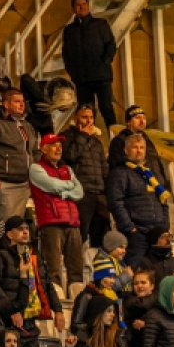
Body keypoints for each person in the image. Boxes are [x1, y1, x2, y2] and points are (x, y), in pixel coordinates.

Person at [0, 215, 64, 347]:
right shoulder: (0, 256)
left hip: (30, 324)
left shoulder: (34, 256)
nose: (25, 232)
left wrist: (59, 310)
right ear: (9, 234)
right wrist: (11, 309)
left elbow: (47, 285)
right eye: (20, 229)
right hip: (10, 324)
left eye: (26, 229)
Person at [29, 133, 84, 290]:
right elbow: (50, 185)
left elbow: (80, 192)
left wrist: (64, 192)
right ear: (44, 149)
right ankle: (55, 300)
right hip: (50, 222)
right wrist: (69, 185)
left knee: (76, 266)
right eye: (54, 145)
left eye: (60, 145)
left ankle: (76, 296)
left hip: (72, 222)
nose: (58, 148)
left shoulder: (67, 168)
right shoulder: (36, 168)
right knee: (52, 266)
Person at [106, 133, 169, 267]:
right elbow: (115, 202)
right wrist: (130, 228)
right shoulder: (119, 173)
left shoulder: (152, 175)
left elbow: (164, 201)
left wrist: (165, 225)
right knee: (137, 271)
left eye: (142, 147)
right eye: (135, 147)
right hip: (137, 233)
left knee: (160, 271)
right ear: (126, 150)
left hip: (157, 232)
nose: (139, 150)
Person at [0, 89, 40, 227]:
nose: (21, 105)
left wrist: (35, 174)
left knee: (20, 227)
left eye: (23, 102)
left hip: (26, 183)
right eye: (17, 101)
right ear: (6, 104)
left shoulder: (28, 126)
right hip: (6, 184)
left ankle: (18, 249)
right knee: (6, 225)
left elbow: (36, 151)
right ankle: (2, 248)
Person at [62, 0, 116, 128]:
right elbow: (66, 52)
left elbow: (111, 44)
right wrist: (71, 70)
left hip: (101, 76)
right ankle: (88, 139)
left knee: (106, 108)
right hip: (81, 79)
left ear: (88, 5)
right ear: (73, 9)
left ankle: (115, 139)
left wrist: (105, 61)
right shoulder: (69, 30)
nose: (81, 7)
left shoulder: (100, 24)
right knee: (85, 111)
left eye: (84, 4)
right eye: (78, 5)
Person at [61, 103, 109, 247]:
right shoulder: (66, 136)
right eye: (84, 117)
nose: (88, 121)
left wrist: (106, 191)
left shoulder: (96, 141)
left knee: (102, 236)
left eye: (91, 117)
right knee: (79, 235)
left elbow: (103, 166)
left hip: (99, 194)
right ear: (75, 118)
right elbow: (70, 156)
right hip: (81, 193)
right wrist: (83, 136)